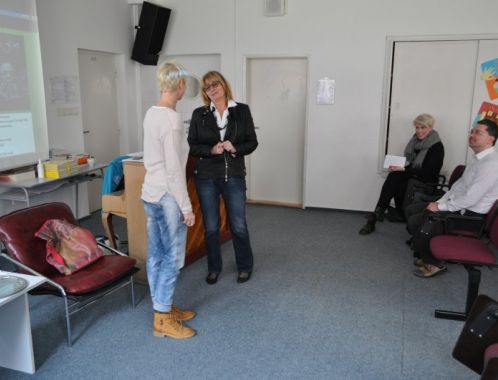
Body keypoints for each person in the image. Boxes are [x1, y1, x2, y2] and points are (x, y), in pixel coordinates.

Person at [141, 61, 196, 339]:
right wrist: (187, 207)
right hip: (167, 197)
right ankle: (162, 318)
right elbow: (174, 170)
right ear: (180, 85)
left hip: (150, 192)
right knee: (172, 258)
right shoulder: (172, 120)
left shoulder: (152, 113)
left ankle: (162, 306)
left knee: (156, 255)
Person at [188, 71, 258, 285]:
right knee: (211, 227)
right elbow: (193, 145)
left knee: (238, 225)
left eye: (215, 84)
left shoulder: (242, 110)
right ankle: (214, 268)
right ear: (205, 92)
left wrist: (235, 147)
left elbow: (252, 142)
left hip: (233, 176)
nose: (213, 89)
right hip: (207, 177)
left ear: (224, 85)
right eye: (208, 87)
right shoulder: (199, 114)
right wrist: (211, 150)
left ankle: (245, 266)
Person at [406, 118, 498, 277]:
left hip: (471, 215)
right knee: (412, 210)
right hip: (459, 206)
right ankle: (427, 252)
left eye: (478, 132)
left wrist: (440, 207)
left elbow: (471, 198)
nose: (472, 135)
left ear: (491, 139)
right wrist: (440, 201)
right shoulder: (478, 159)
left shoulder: (491, 164)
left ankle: (434, 263)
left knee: (418, 220)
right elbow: (459, 187)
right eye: (472, 131)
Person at [359, 113, 444, 235]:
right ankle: (381, 212)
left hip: (427, 181)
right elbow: (413, 166)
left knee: (395, 178)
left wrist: (403, 170)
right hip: (415, 177)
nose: (419, 131)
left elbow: (427, 172)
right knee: (395, 178)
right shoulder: (416, 142)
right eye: (417, 127)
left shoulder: (437, 146)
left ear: (430, 128)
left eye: (423, 127)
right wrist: (400, 167)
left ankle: (378, 213)